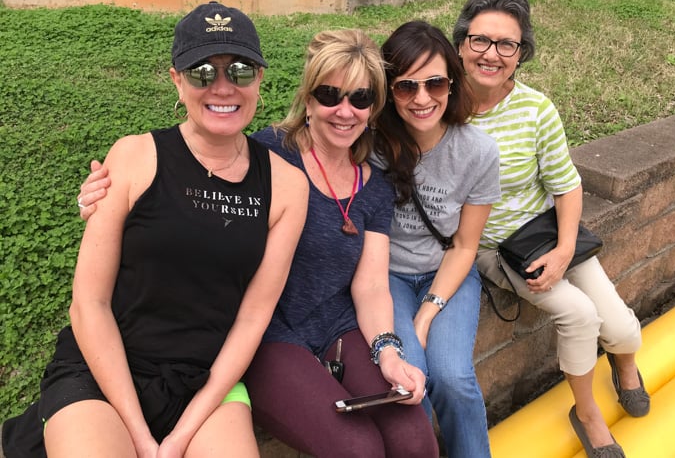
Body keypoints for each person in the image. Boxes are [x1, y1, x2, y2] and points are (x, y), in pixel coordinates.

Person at [72, 28, 440, 458]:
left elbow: (372, 285)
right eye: (330, 95)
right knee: (356, 447)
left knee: (415, 440)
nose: (345, 112)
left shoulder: (372, 186)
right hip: (267, 332)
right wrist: (101, 198)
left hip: (336, 327)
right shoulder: (266, 156)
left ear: (374, 107)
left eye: (360, 99)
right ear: (307, 97)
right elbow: (187, 189)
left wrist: (387, 350)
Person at [1, 1, 308, 458]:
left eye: (239, 70)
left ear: (259, 80)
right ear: (177, 81)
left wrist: (181, 434)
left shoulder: (287, 187)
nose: (222, 86)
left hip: (205, 381)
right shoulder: (133, 158)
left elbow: (251, 320)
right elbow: (90, 304)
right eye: (203, 71)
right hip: (102, 371)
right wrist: (140, 436)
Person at [453, 0, 650, 458]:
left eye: (508, 45)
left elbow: (567, 185)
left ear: (522, 55)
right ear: (460, 43)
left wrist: (564, 251)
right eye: (480, 40)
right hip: (495, 247)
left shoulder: (535, 108)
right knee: (580, 314)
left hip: (547, 232)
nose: (491, 55)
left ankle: (626, 365)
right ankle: (585, 413)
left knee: (621, 327)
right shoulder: (436, 105)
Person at [373, 21, 500, 458]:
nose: (423, 98)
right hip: (385, 274)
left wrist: (426, 316)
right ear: (389, 89)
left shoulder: (478, 151)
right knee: (412, 377)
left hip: (447, 271)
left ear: (452, 82)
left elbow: (466, 246)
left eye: (435, 83)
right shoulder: (371, 143)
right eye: (406, 86)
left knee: (454, 377)